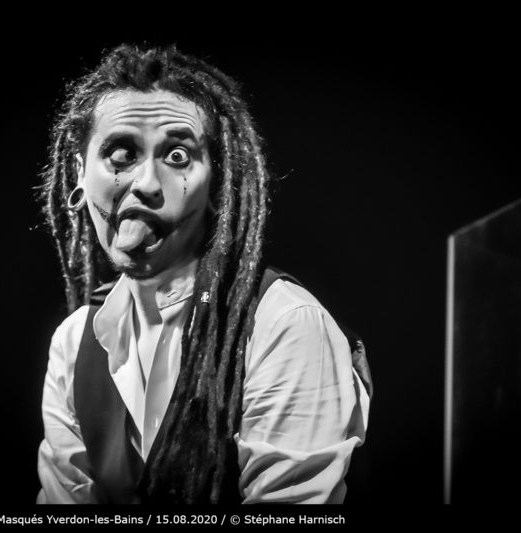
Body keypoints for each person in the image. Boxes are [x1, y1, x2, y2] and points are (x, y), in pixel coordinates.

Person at [36, 44, 371, 504]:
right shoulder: (75, 343)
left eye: (177, 156)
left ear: (216, 184)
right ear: (79, 171)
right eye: (121, 153)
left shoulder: (284, 324)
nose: (146, 183)